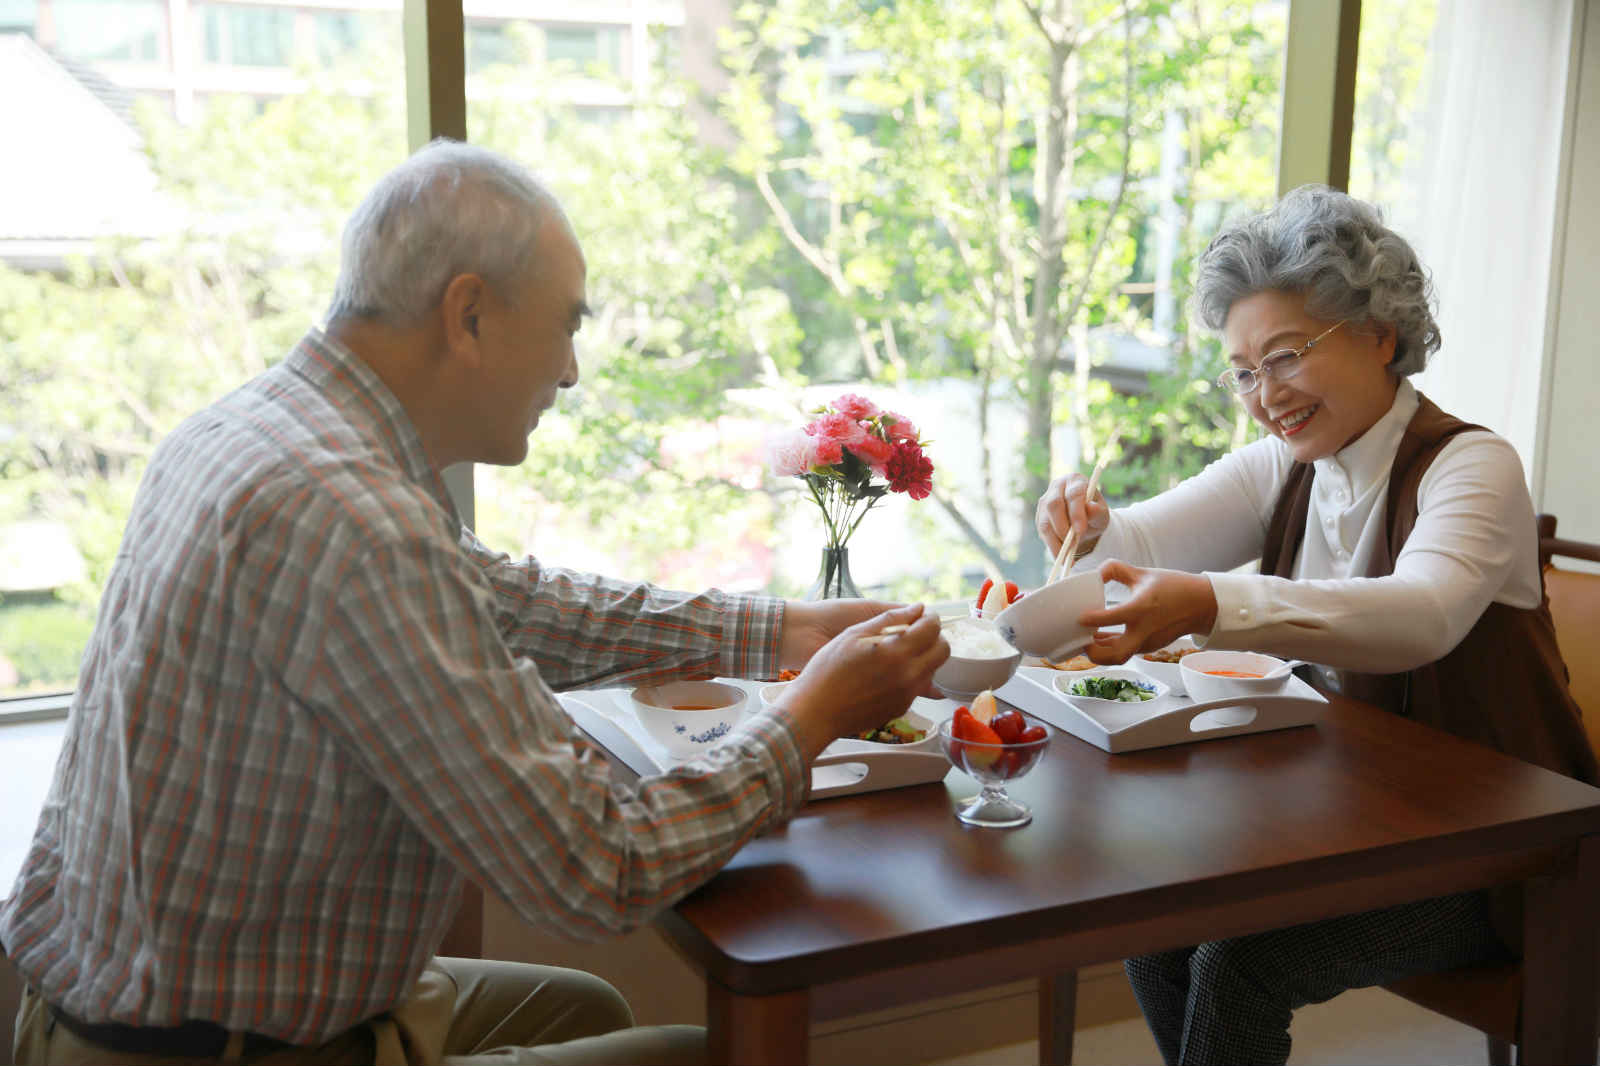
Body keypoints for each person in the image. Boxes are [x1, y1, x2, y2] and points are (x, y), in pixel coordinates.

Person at [0, 140, 949, 1066]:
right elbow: (599, 870)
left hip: (116, 997)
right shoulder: (355, 521)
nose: (572, 372)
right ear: (469, 315)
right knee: (717, 1053)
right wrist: (813, 712)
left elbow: (507, 601)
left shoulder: (269, 430)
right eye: (567, 324)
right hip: (212, 1047)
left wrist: (783, 628)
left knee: (584, 1007)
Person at [1034, 184, 1594, 1066]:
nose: (1265, 394)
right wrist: (1089, 525)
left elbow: (1424, 615)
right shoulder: (1285, 465)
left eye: (1287, 355)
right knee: (1155, 914)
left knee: (1242, 962)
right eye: (1245, 371)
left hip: (1503, 852)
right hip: (1355, 823)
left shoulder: (1473, 467)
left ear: (1381, 336)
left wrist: (1218, 604)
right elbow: (1139, 542)